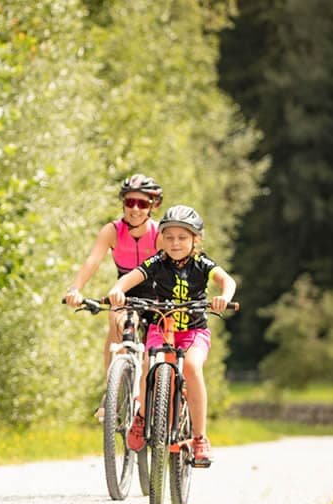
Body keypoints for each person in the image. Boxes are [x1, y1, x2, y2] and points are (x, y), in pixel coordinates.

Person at [106, 205, 236, 467]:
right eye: (169, 237)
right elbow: (131, 277)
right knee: (148, 365)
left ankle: (200, 438)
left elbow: (227, 281)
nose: (175, 243)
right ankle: (142, 417)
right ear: (161, 239)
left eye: (182, 238)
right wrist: (118, 290)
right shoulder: (157, 262)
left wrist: (224, 297)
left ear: (195, 240)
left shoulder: (202, 263)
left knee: (191, 367)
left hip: (194, 330)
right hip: (161, 327)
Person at [64, 173, 164, 418]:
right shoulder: (112, 231)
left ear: (153, 206)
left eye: (142, 203)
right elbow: (93, 260)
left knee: (156, 351)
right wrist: (74, 289)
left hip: (157, 296)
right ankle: (112, 391)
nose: (135, 209)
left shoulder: (159, 233)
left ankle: (150, 400)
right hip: (125, 293)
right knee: (116, 322)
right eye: (130, 202)